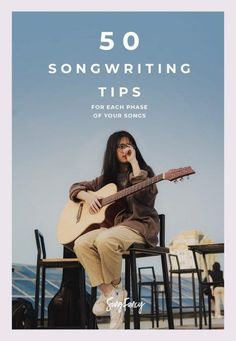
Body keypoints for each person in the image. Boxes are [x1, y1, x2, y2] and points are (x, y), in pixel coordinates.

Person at [69, 131, 160, 329]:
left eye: (130, 145)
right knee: (81, 243)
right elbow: (75, 187)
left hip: (139, 225)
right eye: (121, 146)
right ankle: (112, 294)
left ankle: (115, 291)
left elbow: (146, 196)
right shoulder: (106, 179)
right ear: (112, 150)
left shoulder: (145, 172)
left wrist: (135, 164)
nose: (126, 149)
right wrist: (87, 196)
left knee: (105, 240)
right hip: (115, 228)